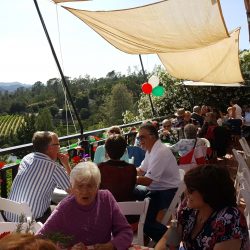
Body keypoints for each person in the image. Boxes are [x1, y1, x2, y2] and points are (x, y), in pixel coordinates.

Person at [37, 162, 133, 250]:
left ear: (97, 186)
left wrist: (111, 245)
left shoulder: (106, 198)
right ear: (72, 187)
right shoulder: (64, 208)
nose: (85, 191)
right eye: (80, 186)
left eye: (90, 185)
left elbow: (126, 231)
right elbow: (39, 239)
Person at [155, 164, 250, 250]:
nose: (186, 193)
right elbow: (168, 239)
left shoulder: (230, 219)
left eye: (191, 190)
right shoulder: (188, 208)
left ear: (208, 193)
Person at [4, 131, 71, 223]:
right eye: (58, 145)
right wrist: (67, 165)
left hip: (8, 219)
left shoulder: (26, 158)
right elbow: (74, 191)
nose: (59, 148)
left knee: (51, 206)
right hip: (31, 224)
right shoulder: (54, 167)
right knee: (65, 211)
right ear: (49, 148)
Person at [135, 123, 180, 242]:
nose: (140, 140)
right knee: (132, 193)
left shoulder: (160, 152)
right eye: (138, 138)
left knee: (145, 222)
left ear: (152, 136)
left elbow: (147, 181)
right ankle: (141, 234)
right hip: (157, 189)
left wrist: (126, 177)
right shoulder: (151, 150)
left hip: (166, 192)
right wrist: (126, 170)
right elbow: (141, 170)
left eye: (142, 137)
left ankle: (171, 241)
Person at [98, 134, 137, 202]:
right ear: (124, 151)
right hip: (128, 209)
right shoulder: (132, 169)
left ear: (106, 151)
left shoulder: (100, 168)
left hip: (107, 207)